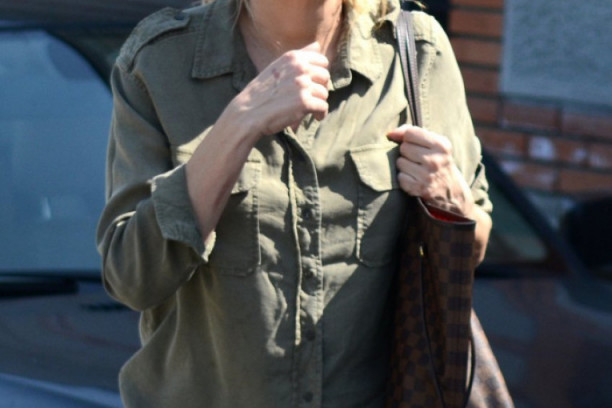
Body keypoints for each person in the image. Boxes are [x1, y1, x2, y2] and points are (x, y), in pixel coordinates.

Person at [96, 0, 493, 406]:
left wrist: (452, 202)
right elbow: (132, 278)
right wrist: (239, 123)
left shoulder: (415, 51)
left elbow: (471, 246)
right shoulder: (159, 61)